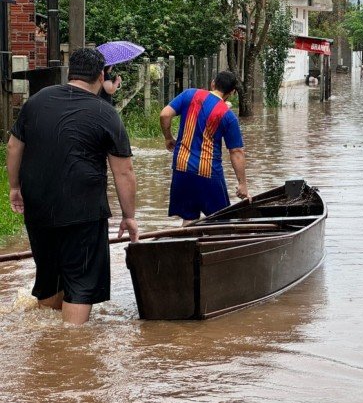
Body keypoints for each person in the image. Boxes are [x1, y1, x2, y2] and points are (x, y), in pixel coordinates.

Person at [6, 48, 138, 325]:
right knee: (80, 283)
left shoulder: (37, 100)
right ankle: (70, 352)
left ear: (70, 71)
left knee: (50, 278)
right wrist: (129, 216)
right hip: (83, 209)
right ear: (102, 75)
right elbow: (123, 172)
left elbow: (13, 146)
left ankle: (46, 342)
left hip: (38, 205)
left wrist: (15, 187)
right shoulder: (106, 113)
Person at [159, 71, 249, 226]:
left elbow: (165, 114)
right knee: (221, 220)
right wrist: (242, 184)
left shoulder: (189, 95)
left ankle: (186, 246)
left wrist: (168, 138)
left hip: (181, 167)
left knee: (189, 218)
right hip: (208, 172)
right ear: (232, 92)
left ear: (213, 83)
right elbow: (236, 152)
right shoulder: (228, 116)